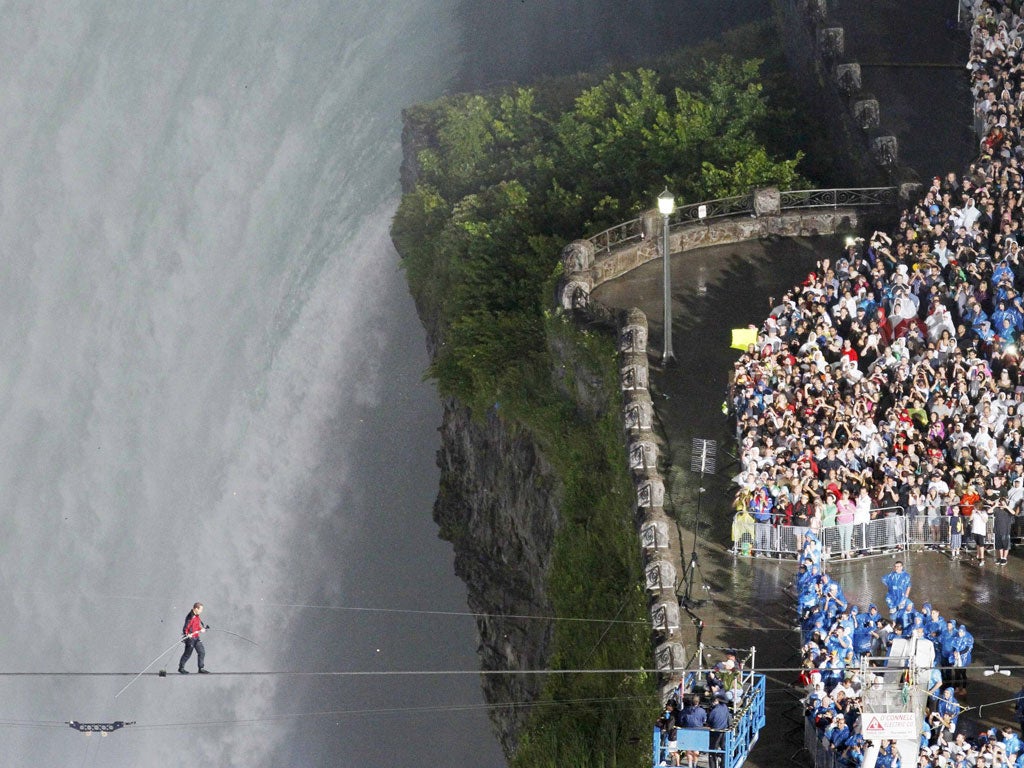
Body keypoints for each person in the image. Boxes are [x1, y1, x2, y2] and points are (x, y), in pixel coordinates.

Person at [178, 602, 209, 674]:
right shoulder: (190, 617)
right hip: (190, 639)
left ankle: (201, 668)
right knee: (187, 654)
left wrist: (201, 629)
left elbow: (197, 626)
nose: (201, 611)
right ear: (196, 609)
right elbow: (185, 628)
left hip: (196, 637)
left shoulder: (197, 616)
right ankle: (181, 668)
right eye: (200, 609)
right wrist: (187, 634)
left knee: (202, 652)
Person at [707, 692, 731, 768]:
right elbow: (728, 718)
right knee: (724, 749)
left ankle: (713, 766)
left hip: (715, 732)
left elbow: (709, 721)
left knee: (712, 750)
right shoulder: (725, 707)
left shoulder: (713, 711)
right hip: (724, 731)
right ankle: (723, 765)